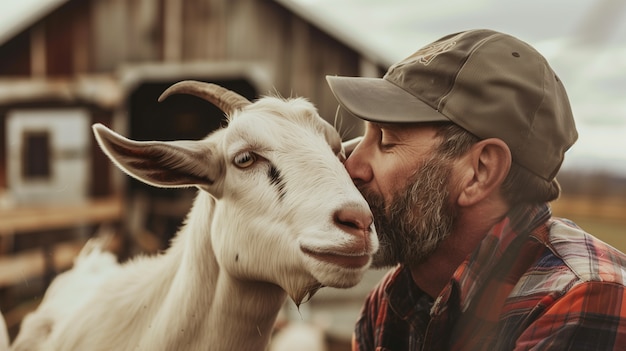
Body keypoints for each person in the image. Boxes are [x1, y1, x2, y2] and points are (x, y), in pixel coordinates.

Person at [326, 29, 626, 350]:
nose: (352, 166)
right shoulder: (392, 302)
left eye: (386, 140)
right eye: (365, 135)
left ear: (480, 172)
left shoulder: (584, 299)